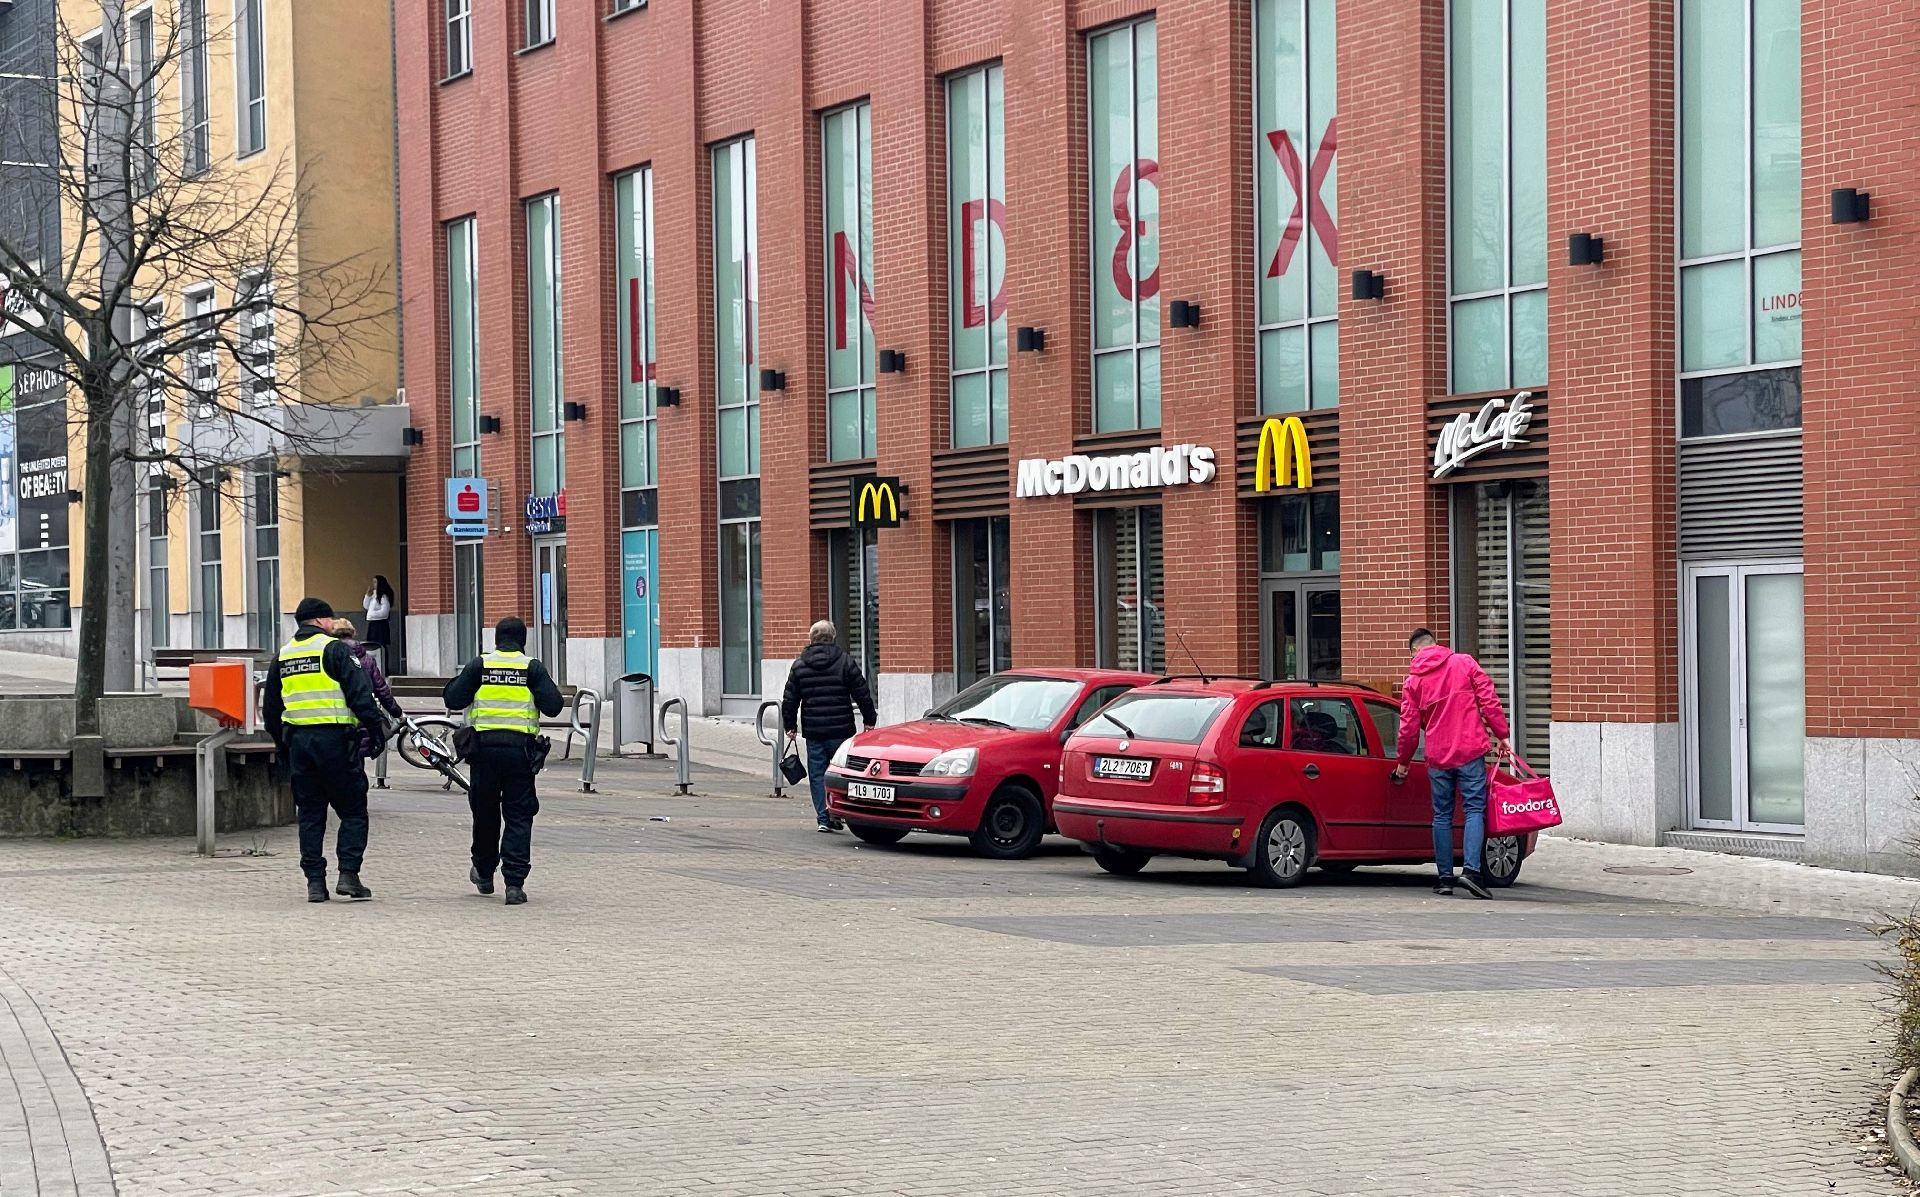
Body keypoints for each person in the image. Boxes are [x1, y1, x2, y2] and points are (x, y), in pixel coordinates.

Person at [263, 597, 390, 903]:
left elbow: (270, 709)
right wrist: (376, 731)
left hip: (299, 745)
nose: (334, 625)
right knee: (353, 810)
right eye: (331, 620)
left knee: (310, 813)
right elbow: (360, 694)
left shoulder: (283, 655)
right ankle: (348, 875)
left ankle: (315, 883)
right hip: (336, 742)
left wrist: (283, 745)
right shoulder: (334, 649)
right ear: (321, 621)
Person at [442, 616, 564, 905]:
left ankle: (484, 873)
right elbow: (554, 706)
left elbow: (453, 699)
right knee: (519, 815)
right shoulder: (530, 667)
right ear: (523, 641)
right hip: (520, 753)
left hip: (483, 752)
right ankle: (514, 884)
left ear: (495, 640)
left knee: (485, 813)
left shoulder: (480, 664)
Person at [1391, 627, 1512, 900]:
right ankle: (1471, 872)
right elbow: (1488, 699)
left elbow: (1408, 728)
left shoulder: (1413, 682)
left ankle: (1444, 878)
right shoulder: (1464, 663)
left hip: (1437, 756)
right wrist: (1502, 734)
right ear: (1436, 644)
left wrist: (1403, 762)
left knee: (1442, 816)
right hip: (1470, 750)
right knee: (1473, 810)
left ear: (1414, 652)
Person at [780, 620, 876, 833]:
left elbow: (790, 699)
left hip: (814, 731)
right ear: (833, 637)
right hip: (841, 730)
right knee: (842, 772)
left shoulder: (799, 665)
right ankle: (839, 812)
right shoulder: (845, 662)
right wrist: (870, 719)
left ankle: (823, 817)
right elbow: (862, 692)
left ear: (810, 639)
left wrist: (790, 726)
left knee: (817, 773)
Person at [329, 615, 404, 761]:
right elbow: (381, 689)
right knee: (357, 764)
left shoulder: (328, 655)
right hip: (361, 717)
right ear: (352, 633)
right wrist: (397, 712)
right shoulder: (366, 658)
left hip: (333, 719)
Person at [361, 575, 395, 654]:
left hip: (380, 624)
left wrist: (372, 614)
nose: (374, 584)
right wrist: (367, 596)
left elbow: (385, 612)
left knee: (381, 645)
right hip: (373, 623)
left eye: (375, 582)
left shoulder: (383, 597)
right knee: (372, 645)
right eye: (373, 582)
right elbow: (366, 606)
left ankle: (383, 664)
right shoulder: (374, 595)